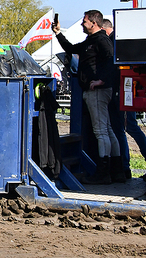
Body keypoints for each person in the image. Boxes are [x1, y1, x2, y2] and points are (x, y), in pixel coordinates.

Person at [52, 10, 123, 184]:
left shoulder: (101, 41)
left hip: (97, 91)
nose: (82, 24)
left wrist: (100, 81)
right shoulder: (91, 41)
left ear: (94, 22)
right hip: (97, 90)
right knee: (107, 130)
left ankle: (103, 173)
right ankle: (117, 170)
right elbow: (71, 48)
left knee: (100, 131)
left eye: (84, 21)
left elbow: (112, 61)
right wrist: (58, 33)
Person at [103, 18, 146, 180]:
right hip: (124, 89)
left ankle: (124, 166)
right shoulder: (118, 40)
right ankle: (124, 165)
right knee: (126, 128)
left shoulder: (115, 41)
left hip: (124, 89)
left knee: (128, 128)